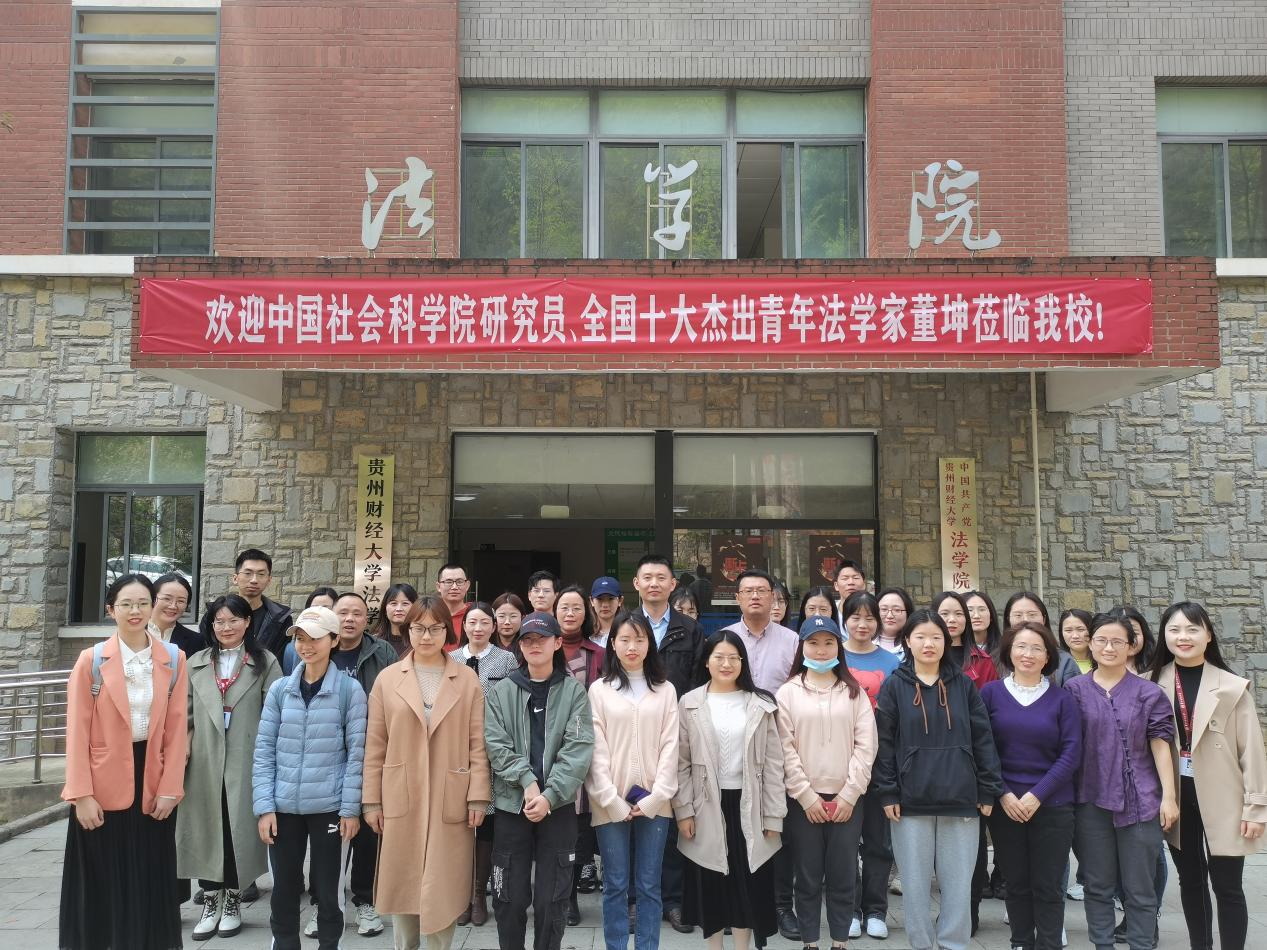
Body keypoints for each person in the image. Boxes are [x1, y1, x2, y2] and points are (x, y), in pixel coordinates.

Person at [59, 573, 189, 950]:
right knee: (102, 880)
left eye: (143, 603)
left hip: (153, 780)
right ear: (110, 610)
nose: (136, 611)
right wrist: (81, 795)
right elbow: (76, 733)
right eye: (126, 604)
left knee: (151, 876)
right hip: (100, 785)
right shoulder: (92, 660)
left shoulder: (173, 659)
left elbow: (177, 731)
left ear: (153, 607)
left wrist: (171, 788)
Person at [362, 596, 491, 950]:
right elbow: (375, 745)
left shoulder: (467, 680)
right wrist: (371, 801)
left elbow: (478, 743)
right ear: (408, 631)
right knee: (403, 880)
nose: (426, 636)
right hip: (402, 792)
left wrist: (478, 795)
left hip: (451, 793)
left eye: (435, 629)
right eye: (419, 628)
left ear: (448, 631)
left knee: (444, 882)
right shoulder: (388, 679)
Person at [873, 609, 1004, 950]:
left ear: (946, 642)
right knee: (914, 885)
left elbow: (983, 739)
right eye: (920, 637)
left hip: (961, 798)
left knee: (958, 885)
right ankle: (921, 944)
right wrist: (887, 792)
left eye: (936, 637)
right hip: (909, 801)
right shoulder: (894, 686)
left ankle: (953, 944)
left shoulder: (963, 685)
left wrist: (987, 790)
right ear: (907, 641)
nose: (928, 644)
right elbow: (883, 744)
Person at [1150, 601, 1267, 950]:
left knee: (1228, 886)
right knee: (1190, 881)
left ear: (1208, 635)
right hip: (1175, 797)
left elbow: (1252, 751)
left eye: (1192, 629)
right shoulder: (1150, 682)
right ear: (1164, 635)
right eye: (1174, 629)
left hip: (1225, 798)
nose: (1183, 637)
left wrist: (1256, 808)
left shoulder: (1233, 686)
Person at [253, 604, 367, 950]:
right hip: (283, 807)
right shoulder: (280, 690)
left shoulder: (349, 691)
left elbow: (357, 755)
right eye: (300, 638)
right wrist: (264, 806)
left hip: (330, 808)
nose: (306, 645)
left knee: (329, 891)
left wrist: (350, 809)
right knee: (284, 889)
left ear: (334, 640)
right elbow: (264, 751)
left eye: (315, 638)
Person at [1064, 610, 1177, 950]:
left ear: (1131, 646)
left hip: (1141, 801)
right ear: (1090, 644)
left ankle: (1142, 944)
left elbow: (1161, 745)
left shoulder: (1149, 693)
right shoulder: (1073, 690)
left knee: (1140, 887)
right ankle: (1103, 944)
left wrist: (1168, 797)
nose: (1108, 647)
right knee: (1098, 884)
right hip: (1090, 799)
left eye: (1117, 641)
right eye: (1101, 640)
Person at [484, 611, 595, 950]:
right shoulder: (502, 691)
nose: (534, 645)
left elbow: (578, 750)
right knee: (509, 896)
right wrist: (527, 782)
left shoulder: (573, 692)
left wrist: (549, 794)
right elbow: (496, 744)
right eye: (527, 639)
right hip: (512, 804)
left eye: (542, 639)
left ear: (557, 643)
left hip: (557, 806)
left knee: (553, 899)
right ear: (520, 646)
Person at [674, 631, 786, 950]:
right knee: (711, 882)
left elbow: (775, 765)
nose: (726, 664)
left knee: (746, 884)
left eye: (733, 658)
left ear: (742, 662)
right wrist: (684, 811)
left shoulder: (761, 704)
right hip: (706, 802)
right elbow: (680, 762)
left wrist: (774, 816)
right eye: (719, 657)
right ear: (706, 662)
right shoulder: (690, 703)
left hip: (750, 803)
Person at [180, 592, 282, 940]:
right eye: (219, 621)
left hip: (246, 757)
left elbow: (275, 713)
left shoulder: (264, 662)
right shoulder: (195, 662)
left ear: (247, 622)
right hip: (203, 760)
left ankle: (234, 901)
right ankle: (211, 901)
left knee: (236, 827)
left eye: (233, 620)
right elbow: (184, 714)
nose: (226, 627)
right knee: (206, 828)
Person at [980, 622, 1082, 950]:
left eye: (1037, 648)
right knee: (1016, 882)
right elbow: (983, 749)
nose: (1028, 654)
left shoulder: (1062, 699)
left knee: (1048, 885)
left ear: (1048, 656)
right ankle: (1021, 942)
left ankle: (1049, 944)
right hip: (1006, 805)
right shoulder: (990, 694)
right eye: (1021, 646)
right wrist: (1004, 794)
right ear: (1009, 651)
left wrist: (1037, 794)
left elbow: (1071, 752)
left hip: (1053, 805)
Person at [777, 616, 877, 950]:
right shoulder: (788, 693)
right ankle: (810, 942)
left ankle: (839, 942)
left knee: (843, 874)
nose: (821, 650)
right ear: (802, 647)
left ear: (839, 647)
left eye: (829, 643)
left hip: (848, 800)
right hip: (803, 801)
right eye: (813, 643)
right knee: (807, 877)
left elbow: (866, 746)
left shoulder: (854, 692)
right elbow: (784, 748)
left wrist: (849, 795)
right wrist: (806, 797)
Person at [586, 611, 680, 950]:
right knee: (614, 883)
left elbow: (671, 746)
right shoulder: (599, 690)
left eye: (639, 639)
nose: (632, 646)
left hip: (656, 802)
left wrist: (657, 796)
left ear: (649, 644)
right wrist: (610, 798)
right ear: (612, 643)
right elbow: (595, 749)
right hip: (608, 801)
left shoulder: (665, 690)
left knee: (649, 884)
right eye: (624, 639)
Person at [632, 553, 706, 933]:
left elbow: (697, 683)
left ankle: (673, 900)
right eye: (647, 577)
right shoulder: (626, 625)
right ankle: (635, 899)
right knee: (635, 811)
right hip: (634, 733)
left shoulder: (689, 629)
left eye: (661, 577)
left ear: (673, 584)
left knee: (674, 815)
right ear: (637, 584)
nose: (654, 583)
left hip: (677, 734)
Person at [451, 601, 518, 926]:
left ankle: (479, 893)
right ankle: (461, 892)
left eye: (484, 623)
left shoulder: (506, 659)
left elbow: (513, 703)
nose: (478, 628)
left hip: (493, 750)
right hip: (456, 750)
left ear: (494, 626)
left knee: (487, 821)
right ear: (463, 626)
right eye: (472, 622)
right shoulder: (451, 658)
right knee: (460, 821)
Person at [839, 591, 901, 939]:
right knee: (845, 840)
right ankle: (849, 908)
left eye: (869, 618)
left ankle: (876, 909)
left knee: (879, 840)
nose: (862, 624)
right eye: (855, 617)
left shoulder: (892, 662)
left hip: (881, 761)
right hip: (840, 761)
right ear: (845, 619)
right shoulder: (833, 656)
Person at [555, 584, 605, 916]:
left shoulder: (599, 653)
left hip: (589, 746)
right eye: (564, 607)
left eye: (577, 608)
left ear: (586, 613)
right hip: (551, 748)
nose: (570, 613)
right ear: (554, 612)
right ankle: (559, 894)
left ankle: (572, 895)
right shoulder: (543, 646)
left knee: (581, 825)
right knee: (556, 823)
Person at [200, 548, 293, 662]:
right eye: (248, 573)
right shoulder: (213, 615)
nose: (254, 580)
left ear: (269, 580)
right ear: (235, 578)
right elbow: (205, 654)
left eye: (261, 574)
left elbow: (280, 661)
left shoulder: (281, 619)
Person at [724, 569, 798, 695]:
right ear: (737, 598)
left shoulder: (792, 640)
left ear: (772, 597)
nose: (755, 596)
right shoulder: (724, 638)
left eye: (761, 590)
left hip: (778, 707)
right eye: (748, 591)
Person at [1005, 592, 1081, 684]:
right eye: (1018, 615)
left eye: (1032, 614)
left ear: (1044, 619)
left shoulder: (1064, 661)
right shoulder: (994, 660)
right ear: (1008, 619)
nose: (1025, 620)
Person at [932, 590, 997, 689]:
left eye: (958, 614)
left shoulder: (983, 662)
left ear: (966, 618)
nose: (952, 619)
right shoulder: (923, 655)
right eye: (944, 614)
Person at [149, 571, 205, 656]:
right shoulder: (131, 631)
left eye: (181, 601)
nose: (173, 606)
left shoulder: (196, 641)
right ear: (152, 598)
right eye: (167, 599)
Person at [372, 582, 419, 658]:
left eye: (405, 603)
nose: (399, 609)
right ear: (385, 609)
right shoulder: (373, 642)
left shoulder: (421, 641)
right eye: (393, 603)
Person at [437, 563, 472, 642]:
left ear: (467, 585)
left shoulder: (475, 614)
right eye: (448, 582)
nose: (454, 587)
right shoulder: (431, 614)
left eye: (459, 581)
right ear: (438, 586)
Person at [964, 590, 1002, 661]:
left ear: (991, 615)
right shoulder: (954, 650)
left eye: (982, 610)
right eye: (970, 610)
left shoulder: (1005, 649)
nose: (976, 616)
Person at [875, 588, 912, 657]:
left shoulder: (914, 646)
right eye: (884, 609)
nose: (889, 616)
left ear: (908, 613)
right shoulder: (864, 642)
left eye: (897, 610)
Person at [590, 576, 625, 648]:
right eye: (599, 599)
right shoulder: (584, 631)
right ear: (592, 601)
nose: (605, 605)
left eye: (610, 599)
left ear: (620, 601)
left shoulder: (628, 630)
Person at [1058, 608, 1094, 675]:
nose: (1075, 636)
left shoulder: (1103, 662)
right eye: (1068, 630)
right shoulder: (1056, 665)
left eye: (1081, 629)